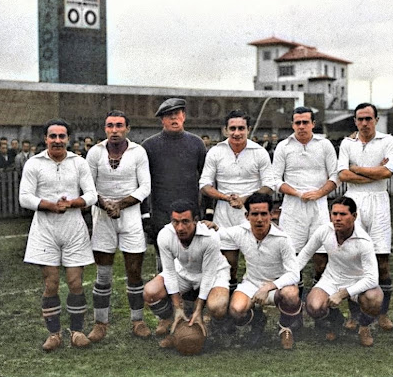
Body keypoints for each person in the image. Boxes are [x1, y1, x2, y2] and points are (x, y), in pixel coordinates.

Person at [19, 119, 97, 351]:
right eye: (53, 136)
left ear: (68, 139)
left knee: (75, 282)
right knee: (51, 283)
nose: (57, 141)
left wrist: (74, 202)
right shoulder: (34, 163)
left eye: (62, 136)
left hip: (73, 228)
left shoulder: (79, 163)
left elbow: (92, 194)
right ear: (45, 139)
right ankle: (54, 334)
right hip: (45, 229)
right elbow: (25, 197)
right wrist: (50, 205)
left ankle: (77, 331)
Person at [84, 110, 152, 342]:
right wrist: (106, 205)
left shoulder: (138, 152)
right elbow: (88, 187)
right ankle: (100, 323)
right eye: (110, 126)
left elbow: (145, 188)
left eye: (119, 126)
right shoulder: (95, 152)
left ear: (127, 129)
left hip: (130, 215)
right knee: (103, 275)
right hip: (103, 216)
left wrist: (120, 205)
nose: (115, 130)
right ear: (105, 129)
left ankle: (138, 320)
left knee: (134, 271)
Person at [213, 193, 301, 349]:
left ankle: (284, 327)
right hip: (252, 283)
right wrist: (207, 226)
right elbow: (217, 234)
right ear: (247, 216)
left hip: (277, 286)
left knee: (291, 294)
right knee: (236, 311)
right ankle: (258, 321)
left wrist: (268, 287)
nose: (259, 219)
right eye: (255, 214)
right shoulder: (241, 232)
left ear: (271, 214)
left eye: (263, 214)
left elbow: (294, 274)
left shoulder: (283, 239)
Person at [199, 110, 275, 293]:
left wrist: (245, 199)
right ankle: (229, 301)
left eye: (241, 128)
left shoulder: (260, 152)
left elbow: (269, 185)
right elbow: (204, 185)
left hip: (251, 213)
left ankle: (254, 305)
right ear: (225, 130)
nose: (237, 133)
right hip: (224, 213)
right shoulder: (216, 152)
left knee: (256, 261)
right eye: (232, 128)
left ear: (248, 129)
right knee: (228, 263)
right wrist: (226, 197)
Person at [337, 102, 393, 331]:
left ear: (376, 120)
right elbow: (343, 174)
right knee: (354, 259)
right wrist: (373, 173)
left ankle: (382, 314)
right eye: (360, 119)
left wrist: (357, 169)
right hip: (354, 201)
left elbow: (387, 173)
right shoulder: (347, 143)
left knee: (382, 262)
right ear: (355, 121)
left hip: (379, 202)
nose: (364, 123)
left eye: (368, 119)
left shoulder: (387, 141)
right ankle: (354, 314)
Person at [297, 196, 383, 347]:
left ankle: (363, 326)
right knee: (314, 306)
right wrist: (285, 278)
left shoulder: (364, 241)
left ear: (354, 216)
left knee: (374, 298)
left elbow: (372, 279)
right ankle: (337, 321)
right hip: (332, 280)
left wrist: (343, 293)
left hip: (359, 282)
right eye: (334, 214)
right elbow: (304, 255)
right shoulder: (324, 230)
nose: (337, 219)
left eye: (343, 214)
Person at [143, 199, 230, 346]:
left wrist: (198, 309)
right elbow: (169, 272)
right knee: (150, 292)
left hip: (214, 272)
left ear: (196, 221)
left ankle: (212, 328)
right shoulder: (165, 234)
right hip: (184, 270)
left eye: (185, 222)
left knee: (218, 305)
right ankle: (174, 322)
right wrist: (177, 307)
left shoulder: (210, 236)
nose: (180, 227)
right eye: (175, 222)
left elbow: (208, 275)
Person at [272, 106, 337, 296]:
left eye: (305, 122)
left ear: (313, 124)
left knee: (322, 256)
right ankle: (295, 308)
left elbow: (335, 176)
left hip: (319, 207)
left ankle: (321, 305)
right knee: (293, 258)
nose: (301, 126)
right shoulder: (283, 146)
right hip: (293, 208)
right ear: (292, 124)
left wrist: (318, 193)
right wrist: (298, 193)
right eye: (297, 123)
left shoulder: (324, 145)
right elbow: (275, 180)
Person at [141, 98, 207, 272]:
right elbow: (142, 184)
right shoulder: (149, 146)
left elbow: (206, 180)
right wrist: (146, 215)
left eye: (177, 114)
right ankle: (166, 298)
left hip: (190, 212)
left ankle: (190, 298)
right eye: (168, 115)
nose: (173, 119)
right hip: (162, 213)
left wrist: (205, 211)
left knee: (191, 260)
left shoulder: (196, 144)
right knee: (164, 262)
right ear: (162, 120)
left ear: (184, 116)